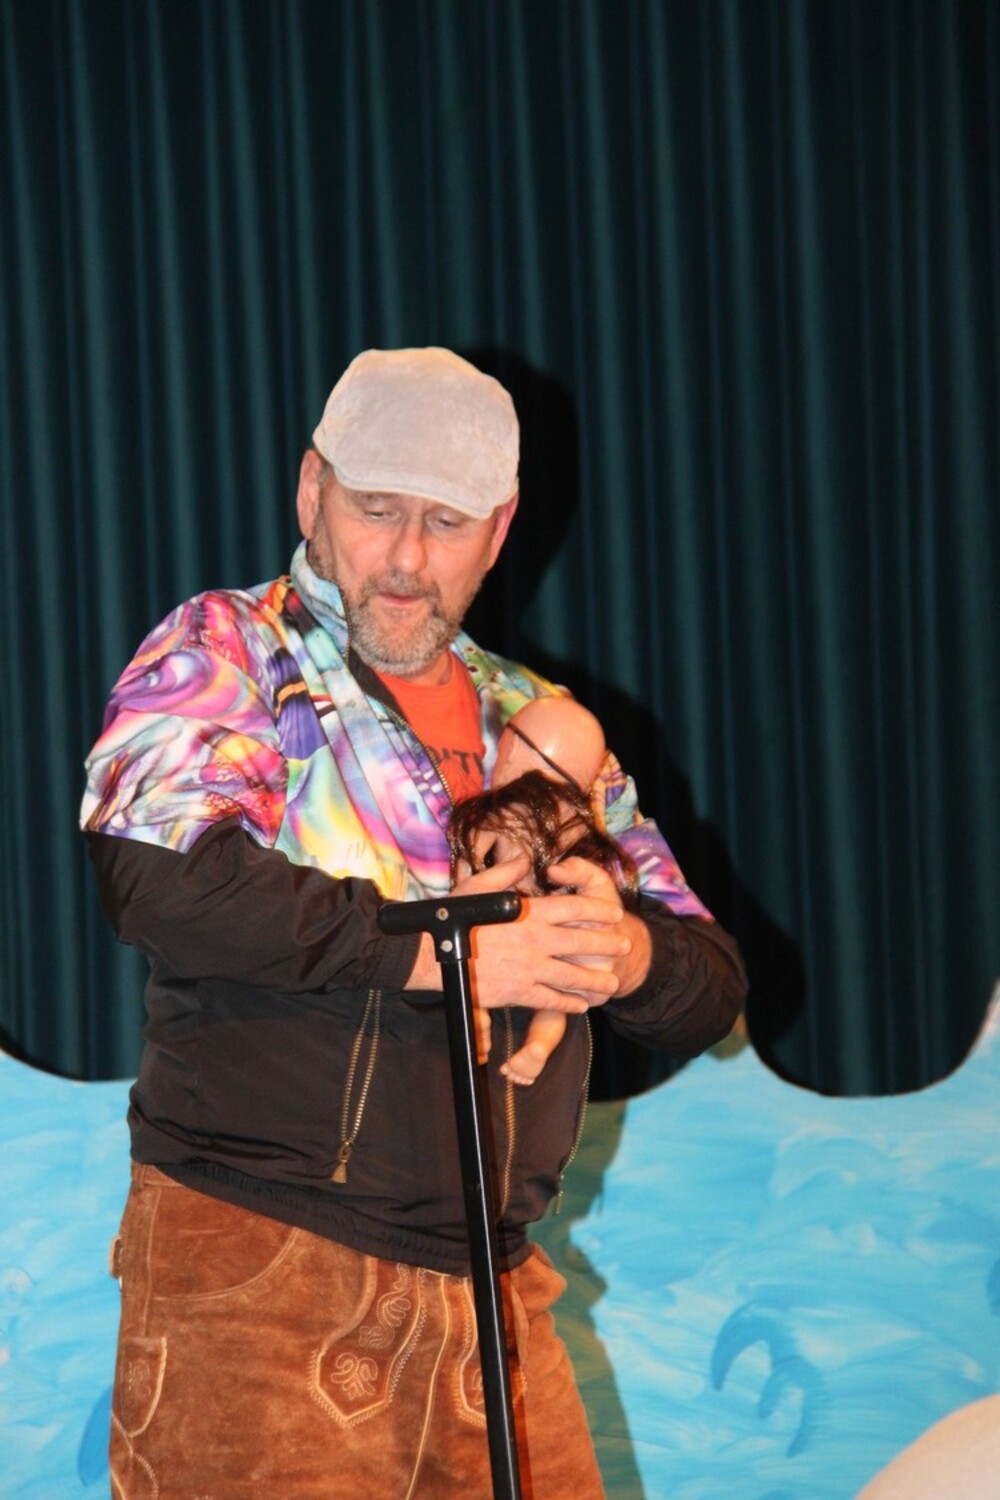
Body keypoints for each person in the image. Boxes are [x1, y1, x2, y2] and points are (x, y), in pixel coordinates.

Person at [81, 346, 747, 1498]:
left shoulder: (536, 722)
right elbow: (159, 879)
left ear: (499, 532)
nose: (404, 558)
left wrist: (623, 949)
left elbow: (708, 985)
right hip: (259, 1268)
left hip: (496, 1290)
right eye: (376, 509)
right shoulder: (227, 649)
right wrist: (455, 949)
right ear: (312, 491)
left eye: (444, 524)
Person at [448, 695, 639, 1085]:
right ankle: (533, 1041)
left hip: (504, 928)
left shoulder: (493, 818)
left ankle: (491, 1024)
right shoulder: (574, 831)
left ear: (510, 751)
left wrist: (461, 894)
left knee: (519, 988)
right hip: (526, 932)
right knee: (551, 997)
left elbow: (466, 869)